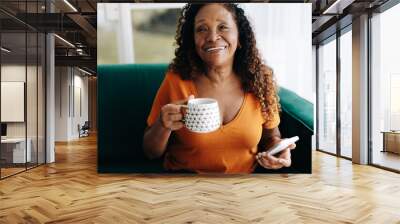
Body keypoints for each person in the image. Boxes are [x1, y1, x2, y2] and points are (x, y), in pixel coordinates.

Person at [143, 3, 296, 174]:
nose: (213, 37)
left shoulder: (260, 80)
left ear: (239, 37)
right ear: (192, 40)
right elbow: (151, 152)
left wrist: (279, 150)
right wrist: (163, 125)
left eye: (223, 27)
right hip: (186, 184)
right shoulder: (176, 81)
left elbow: (271, 137)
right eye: (202, 29)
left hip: (243, 185)